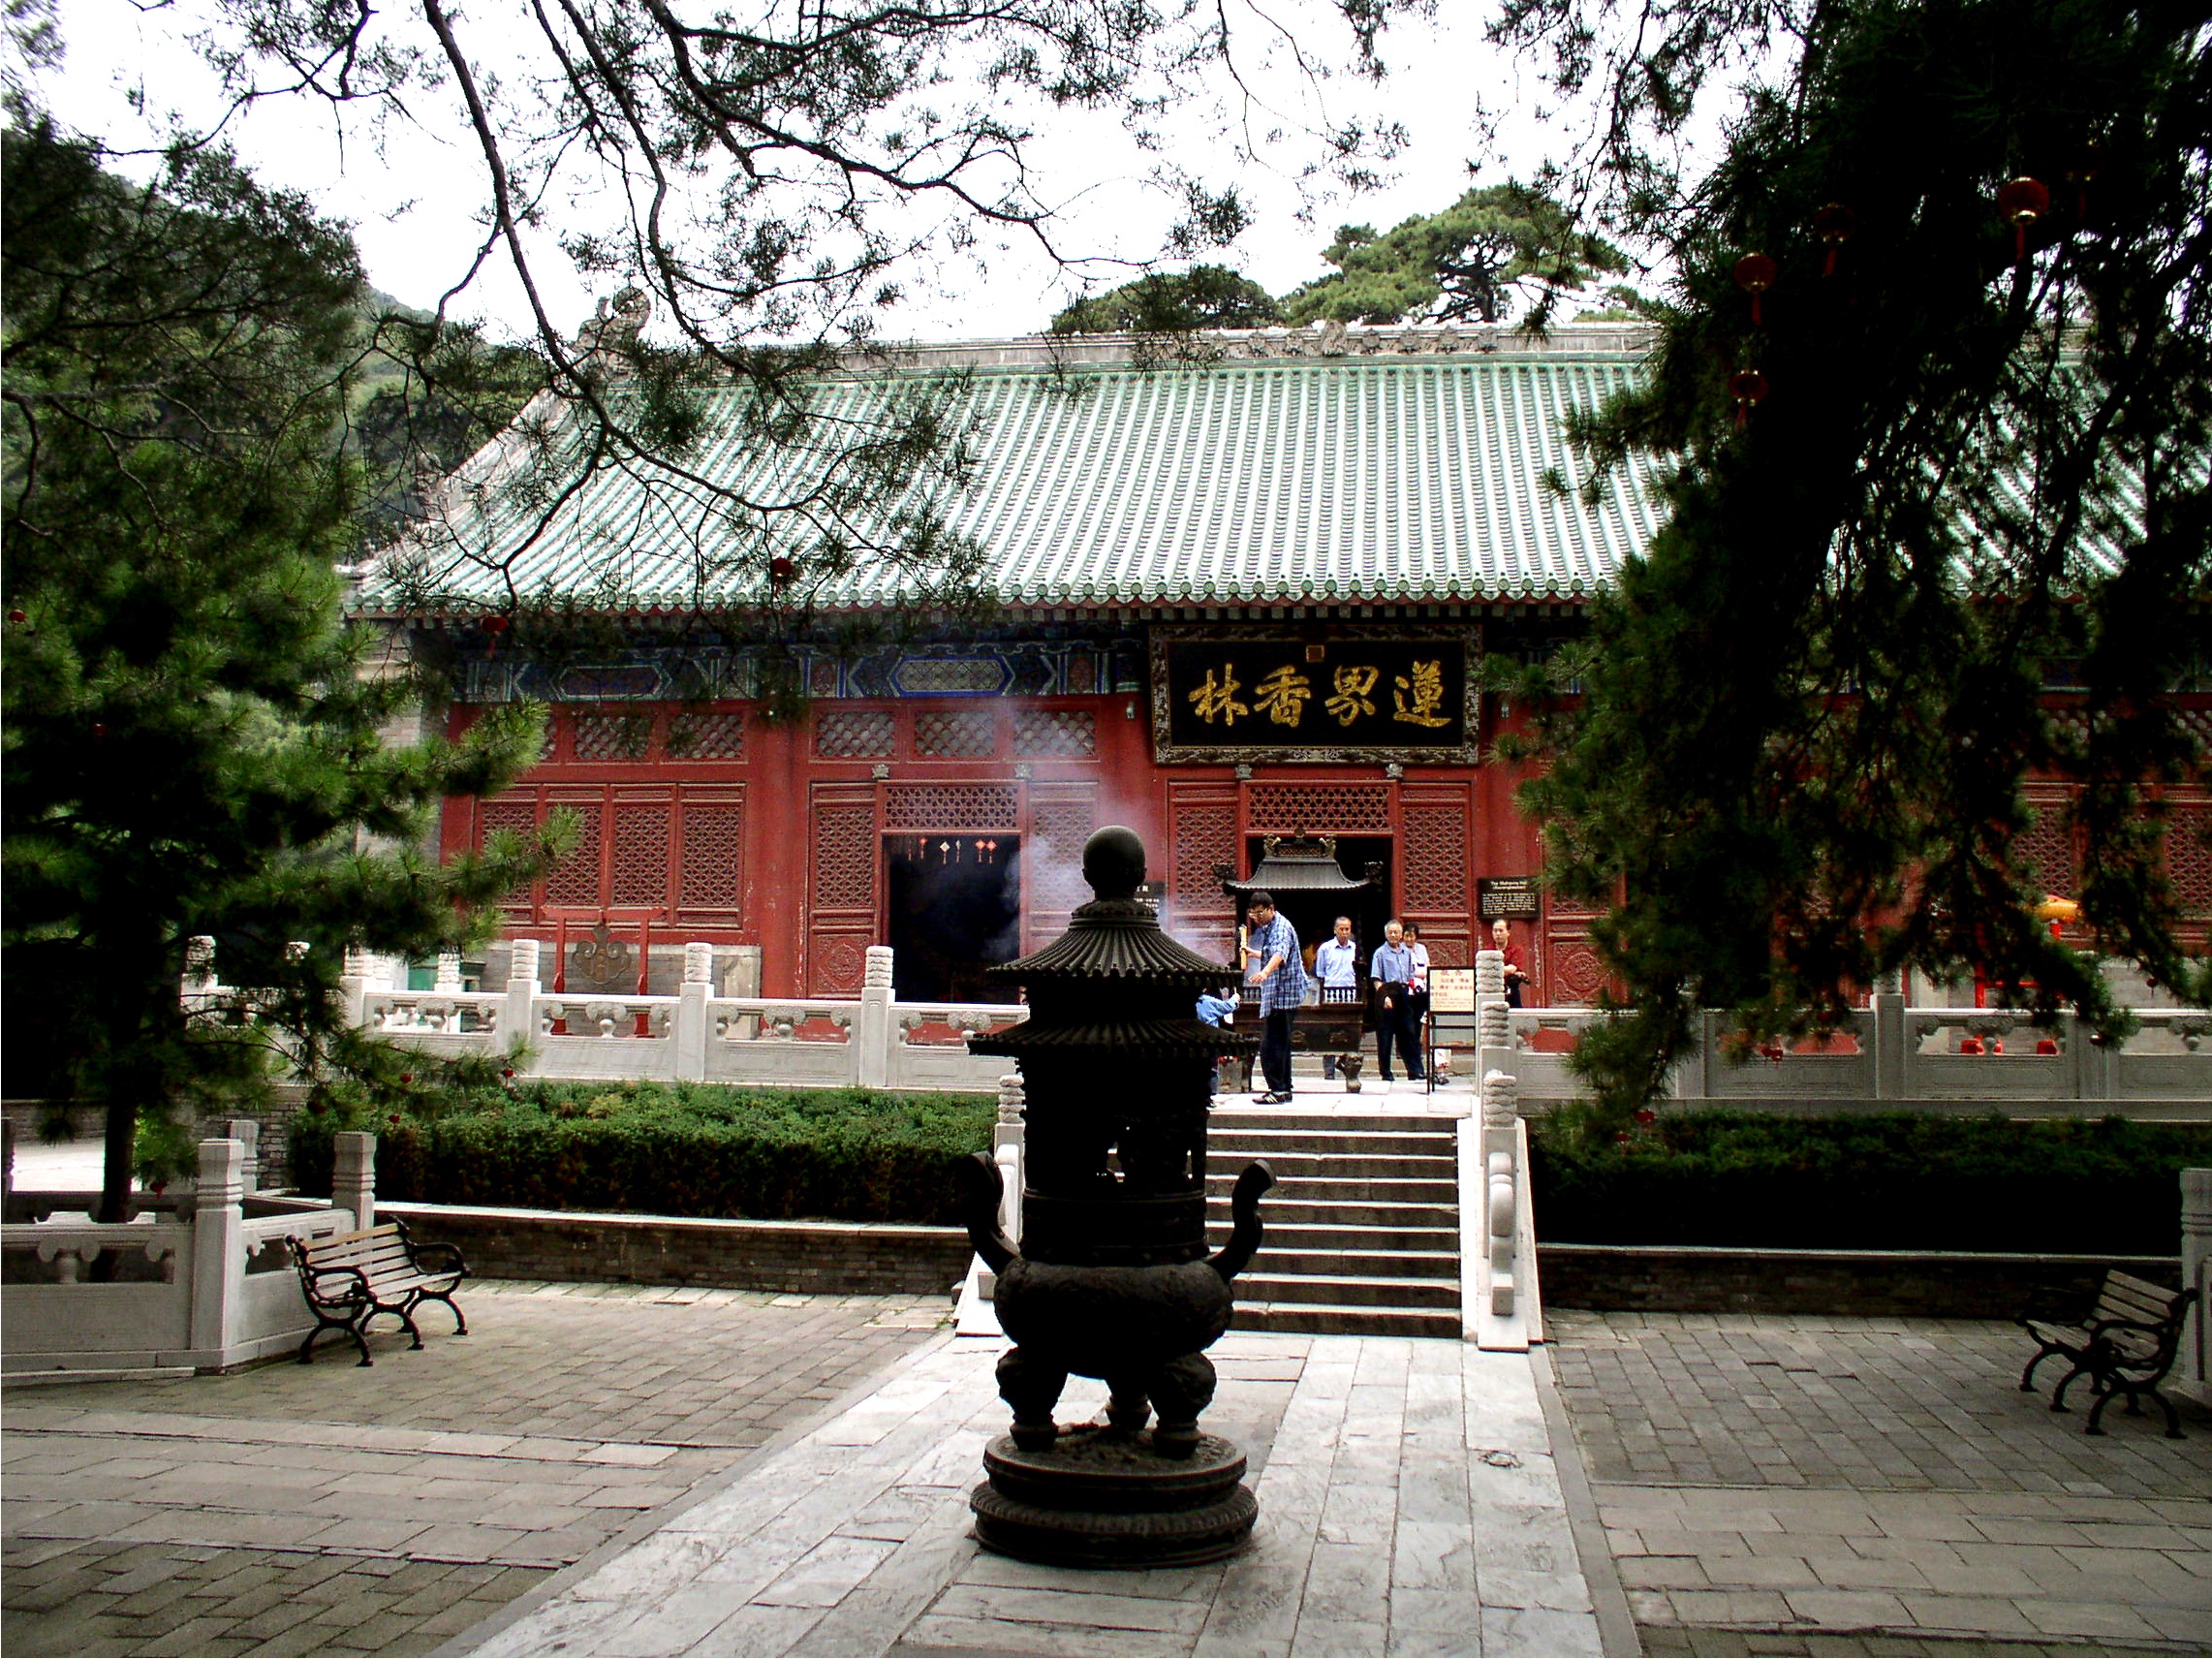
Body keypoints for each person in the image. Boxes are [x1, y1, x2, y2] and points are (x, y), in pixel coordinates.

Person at [1241, 892, 1305, 1104]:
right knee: (1281, 1044)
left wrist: (1265, 972)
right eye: (1253, 914)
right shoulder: (1272, 927)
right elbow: (1273, 952)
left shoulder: (1280, 927)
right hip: (1281, 994)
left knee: (1271, 1046)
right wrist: (1254, 953)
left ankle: (1278, 1088)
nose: (1257, 918)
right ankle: (1283, 1089)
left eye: (1260, 913)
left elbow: (1279, 954)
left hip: (1283, 994)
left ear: (1271, 909)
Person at [1370, 919, 1424, 1084]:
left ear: (1401, 935)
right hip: (1387, 992)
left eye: (1396, 932)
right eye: (1391, 932)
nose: (1393, 935)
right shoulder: (1380, 953)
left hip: (1404, 992)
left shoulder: (1406, 953)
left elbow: (1410, 976)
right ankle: (1386, 1072)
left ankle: (1415, 1070)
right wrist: (1384, 997)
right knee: (1385, 1035)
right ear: (1386, 934)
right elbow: (1376, 979)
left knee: (1409, 1032)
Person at [1313, 915, 1360, 1081]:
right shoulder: (1325, 949)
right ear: (1335, 930)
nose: (1345, 932)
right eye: (1342, 929)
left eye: (1347, 929)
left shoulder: (1355, 949)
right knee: (1329, 1032)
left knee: (1349, 1031)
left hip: (1349, 995)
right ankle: (1329, 1071)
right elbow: (1320, 973)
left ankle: (1346, 1064)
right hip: (1331, 995)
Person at [1401, 920, 1432, 1080]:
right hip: (1406, 993)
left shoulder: (1421, 949)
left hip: (1421, 992)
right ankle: (1413, 1066)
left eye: (1412, 936)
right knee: (1408, 1029)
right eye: (1407, 936)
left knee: (1418, 1027)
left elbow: (1427, 967)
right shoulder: (1400, 950)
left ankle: (1416, 1067)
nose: (1409, 939)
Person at [1196, 986, 1237, 1097]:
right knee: (1211, 1068)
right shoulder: (1207, 1001)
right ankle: (1209, 1095)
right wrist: (1235, 998)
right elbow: (1227, 1007)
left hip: (1194, 1040)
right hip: (1209, 1041)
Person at [1491, 917, 1528, 1008]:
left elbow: (1512, 969)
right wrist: (1504, 970)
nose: (1498, 934)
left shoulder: (1516, 950)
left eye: (1501, 931)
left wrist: (1492, 970)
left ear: (1508, 932)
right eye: (1495, 931)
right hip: (1491, 989)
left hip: (1510, 991)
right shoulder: (1487, 950)